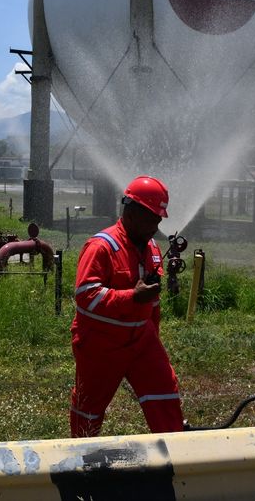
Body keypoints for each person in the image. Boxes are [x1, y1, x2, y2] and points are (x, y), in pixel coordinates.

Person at [69, 175, 184, 437]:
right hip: (101, 344)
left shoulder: (152, 248)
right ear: (130, 211)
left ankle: (175, 459)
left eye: (158, 219)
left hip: (142, 340)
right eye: (151, 218)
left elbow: (153, 303)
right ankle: (80, 459)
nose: (155, 226)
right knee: (89, 408)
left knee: (165, 392)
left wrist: (153, 335)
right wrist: (132, 297)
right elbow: (86, 295)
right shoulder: (101, 247)